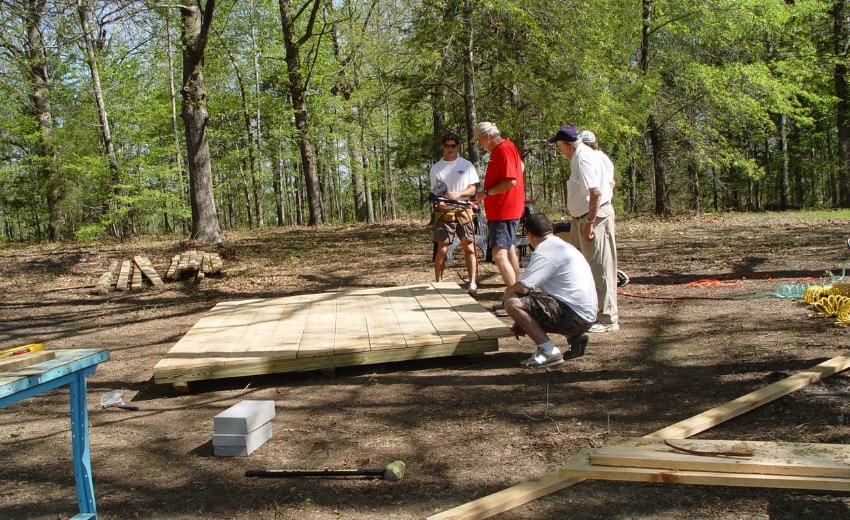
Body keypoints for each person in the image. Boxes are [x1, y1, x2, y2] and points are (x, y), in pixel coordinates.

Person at [549, 125, 619, 333]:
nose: (559, 150)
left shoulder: (583, 158)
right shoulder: (582, 156)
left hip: (594, 218)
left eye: (559, 145)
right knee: (582, 264)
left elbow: (596, 192)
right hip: (581, 217)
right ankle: (590, 310)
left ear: (567, 145)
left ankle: (607, 318)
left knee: (600, 267)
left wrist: (589, 221)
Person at [503, 213, 597, 368]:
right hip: (588, 316)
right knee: (531, 300)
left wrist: (507, 293)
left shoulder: (544, 251)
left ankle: (548, 351)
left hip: (575, 316)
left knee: (512, 301)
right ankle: (575, 338)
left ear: (530, 235)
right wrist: (522, 319)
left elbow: (524, 287)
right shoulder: (563, 246)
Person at [473, 121, 526, 299]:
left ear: (487, 136)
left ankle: (513, 297)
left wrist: (485, 193)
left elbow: (510, 181)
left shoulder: (503, 150)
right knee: (509, 249)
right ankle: (517, 289)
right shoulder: (507, 148)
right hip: (506, 209)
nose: (479, 143)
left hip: (504, 210)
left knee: (498, 253)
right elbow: (519, 169)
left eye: (479, 139)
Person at [430, 132, 480, 294]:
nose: (450, 149)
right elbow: (435, 193)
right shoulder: (436, 168)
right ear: (442, 148)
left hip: (464, 211)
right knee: (442, 250)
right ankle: (438, 282)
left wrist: (459, 194)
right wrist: (440, 201)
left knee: (469, 248)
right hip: (445, 213)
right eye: (447, 146)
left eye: (453, 146)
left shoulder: (466, 165)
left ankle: (472, 283)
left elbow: (473, 189)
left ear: (458, 147)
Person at [581, 129, 630, 288]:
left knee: (602, 254)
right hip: (591, 210)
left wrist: (594, 212)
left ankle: (608, 280)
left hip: (599, 210)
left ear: (588, 144)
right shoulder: (590, 158)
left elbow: (610, 183)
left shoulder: (600, 159)